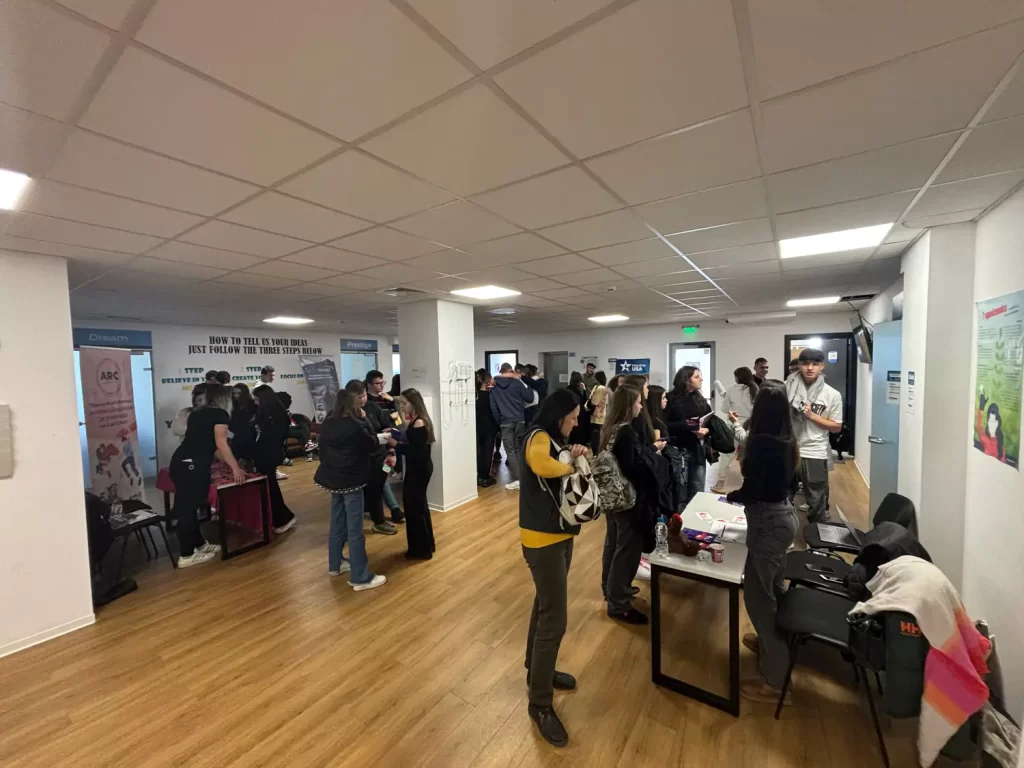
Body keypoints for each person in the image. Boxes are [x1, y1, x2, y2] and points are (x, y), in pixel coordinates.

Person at [519, 389, 588, 748]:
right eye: (572, 417)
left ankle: (537, 672)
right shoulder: (538, 436)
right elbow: (541, 465)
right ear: (558, 414)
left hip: (559, 534)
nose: (576, 423)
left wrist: (576, 453)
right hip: (542, 539)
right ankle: (540, 703)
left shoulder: (555, 438)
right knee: (555, 619)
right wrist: (570, 466)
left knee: (545, 605)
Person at [725, 386, 800, 704]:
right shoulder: (788, 440)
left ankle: (774, 682)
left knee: (758, 598)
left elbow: (753, 489)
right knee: (775, 589)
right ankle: (774, 648)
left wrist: (731, 496)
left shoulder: (760, 443)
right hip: (784, 517)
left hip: (768, 523)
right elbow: (789, 484)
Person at [315, 390, 386, 590]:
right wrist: (364, 420)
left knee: (337, 522)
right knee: (355, 529)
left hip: (332, 479)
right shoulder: (356, 425)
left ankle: (335, 564)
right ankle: (360, 577)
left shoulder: (328, 423)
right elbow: (372, 443)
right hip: (351, 479)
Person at [170, 383, 245, 567]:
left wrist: (232, 465)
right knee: (187, 510)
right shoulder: (220, 414)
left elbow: (212, 447)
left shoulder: (198, 412)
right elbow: (221, 444)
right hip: (191, 465)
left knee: (190, 507)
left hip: (182, 462)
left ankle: (199, 544)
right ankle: (186, 555)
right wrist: (235, 468)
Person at [600, 383, 653, 626]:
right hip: (627, 499)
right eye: (638, 402)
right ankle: (619, 603)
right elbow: (632, 468)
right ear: (629, 405)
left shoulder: (609, 429)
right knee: (627, 549)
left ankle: (612, 589)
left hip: (611, 498)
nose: (641, 406)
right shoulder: (627, 433)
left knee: (613, 544)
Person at [787, 348, 843, 522]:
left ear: (822, 366)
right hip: (788, 448)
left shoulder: (832, 394)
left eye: (815, 364)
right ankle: (783, 531)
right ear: (799, 365)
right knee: (783, 494)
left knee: (817, 498)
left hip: (815, 451)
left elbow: (836, 427)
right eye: (805, 364)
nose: (810, 368)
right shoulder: (786, 388)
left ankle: (816, 535)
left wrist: (811, 416)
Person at [345, 379, 400, 533]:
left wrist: (392, 452)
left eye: (364, 396)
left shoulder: (373, 407)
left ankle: (382, 518)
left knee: (380, 485)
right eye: (359, 397)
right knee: (357, 493)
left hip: (381, 458)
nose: (363, 399)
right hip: (357, 461)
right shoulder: (344, 414)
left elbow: (389, 427)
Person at [253, 385, 298, 534]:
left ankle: (284, 518)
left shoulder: (278, 416)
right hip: (264, 454)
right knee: (268, 486)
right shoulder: (266, 414)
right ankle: (276, 518)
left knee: (271, 486)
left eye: (257, 400)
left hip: (269, 454)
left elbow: (274, 438)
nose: (255, 403)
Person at [665, 366, 712, 504]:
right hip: (678, 451)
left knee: (697, 490)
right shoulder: (670, 399)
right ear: (686, 380)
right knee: (680, 491)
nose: (701, 379)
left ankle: (695, 516)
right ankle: (679, 517)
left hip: (698, 449)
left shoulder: (700, 399)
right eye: (697, 377)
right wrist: (686, 425)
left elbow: (710, 421)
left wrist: (705, 431)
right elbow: (664, 425)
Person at [399, 389, 436, 560]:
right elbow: (411, 442)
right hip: (418, 468)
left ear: (413, 403)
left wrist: (394, 444)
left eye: (404, 403)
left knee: (415, 509)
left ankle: (421, 549)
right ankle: (426, 545)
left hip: (419, 470)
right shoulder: (416, 420)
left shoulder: (419, 422)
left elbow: (415, 451)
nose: (402, 406)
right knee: (419, 507)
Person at [711, 367, 759, 493]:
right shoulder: (755, 390)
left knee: (726, 455)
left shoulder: (732, 390)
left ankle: (721, 483)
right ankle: (748, 485)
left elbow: (725, 409)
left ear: (737, 377)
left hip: (733, 424)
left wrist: (729, 399)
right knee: (747, 456)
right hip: (750, 426)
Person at [366, 370, 406, 518]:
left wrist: (393, 405)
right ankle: (393, 508)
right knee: (381, 477)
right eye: (378, 383)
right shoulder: (366, 402)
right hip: (375, 445)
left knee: (383, 475)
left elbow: (398, 421)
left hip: (389, 444)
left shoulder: (387, 399)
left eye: (383, 382)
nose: (381, 386)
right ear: (369, 384)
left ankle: (389, 509)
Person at [490, 362, 534, 491]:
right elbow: (530, 398)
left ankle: (518, 479)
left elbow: (494, 408)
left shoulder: (494, 388)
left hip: (505, 422)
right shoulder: (517, 383)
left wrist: (500, 421)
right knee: (519, 448)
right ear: (510, 371)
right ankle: (523, 478)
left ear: (501, 371)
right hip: (519, 420)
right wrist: (522, 382)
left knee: (510, 450)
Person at [476, 369, 499, 487]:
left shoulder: (475, 395)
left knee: (480, 451)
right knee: (488, 452)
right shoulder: (492, 395)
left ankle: (479, 475)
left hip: (478, 427)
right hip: (490, 427)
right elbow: (495, 411)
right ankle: (485, 477)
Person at [229, 383, 258, 467]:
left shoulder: (252, 405)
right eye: (234, 393)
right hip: (238, 437)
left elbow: (253, 421)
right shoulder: (233, 405)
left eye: (238, 393)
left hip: (249, 438)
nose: (235, 396)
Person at [976, 387, 1005, 461]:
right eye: (990, 421)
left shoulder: (1001, 446)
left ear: (998, 423)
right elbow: (979, 427)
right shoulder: (985, 439)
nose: (991, 425)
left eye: (994, 421)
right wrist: (981, 408)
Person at [566, 372, 590, 445]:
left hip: (571, 413)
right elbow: (583, 401)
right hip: (578, 414)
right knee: (577, 433)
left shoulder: (568, 389)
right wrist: (584, 391)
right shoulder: (576, 391)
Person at [588, 371, 608, 454]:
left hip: (598, 416)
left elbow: (594, 402)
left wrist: (590, 400)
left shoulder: (599, 388)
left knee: (595, 438)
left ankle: (596, 454)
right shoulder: (603, 388)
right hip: (601, 415)